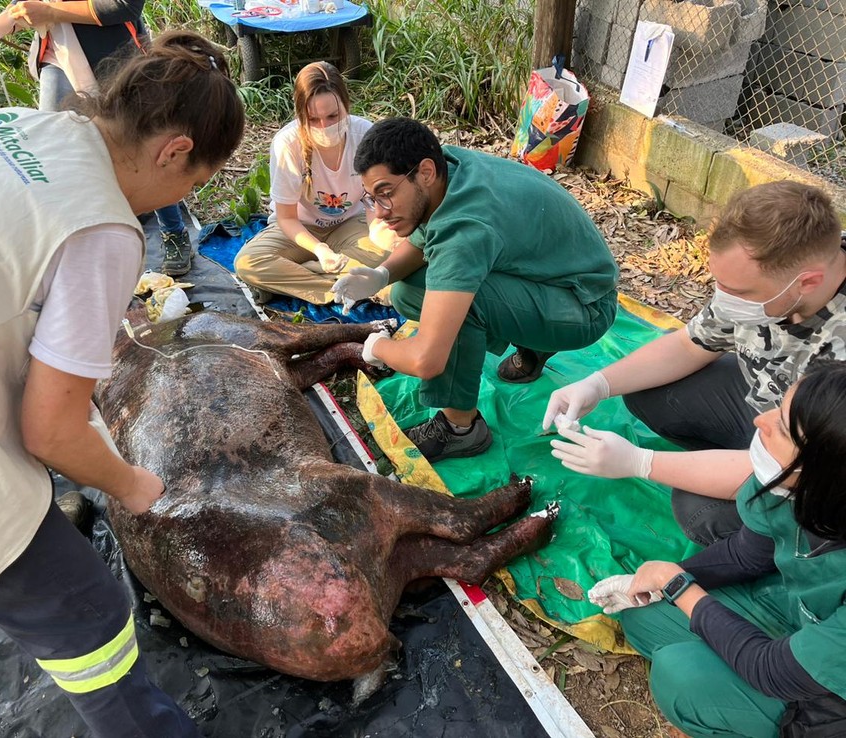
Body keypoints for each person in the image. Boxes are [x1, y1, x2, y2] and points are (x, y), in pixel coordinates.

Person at [0, 30, 245, 736]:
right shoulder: (103, 227)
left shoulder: (15, 124)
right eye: (191, 186)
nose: (178, 200)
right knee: (86, 613)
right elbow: (51, 428)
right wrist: (130, 485)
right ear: (174, 151)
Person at [541, 181, 846, 546]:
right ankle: (716, 463)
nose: (724, 299)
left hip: (818, 468)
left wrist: (642, 463)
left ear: (807, 282)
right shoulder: (781, 279)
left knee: (700, 512)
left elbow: (795, 468)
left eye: (740, 293)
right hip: (776, 411)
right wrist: (597, 384)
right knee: (646, 391)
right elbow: (691, 345)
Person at [565, 360, 846, 738]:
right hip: (804, 615)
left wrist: (680, 585)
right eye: (777, 409)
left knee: (682, 680)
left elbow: (772, 671)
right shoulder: (795, 488)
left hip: (826, 699)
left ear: (828, 470)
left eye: (781, 427)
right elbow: (747, 553)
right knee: (642, 613)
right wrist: (661, 578)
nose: (759, 421)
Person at [332, 117, 618, 462]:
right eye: (372, 198)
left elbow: (426, 360)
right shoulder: (447, 167)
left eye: (387, 193)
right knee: (408, 292)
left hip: (585, 307)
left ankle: (460, 428)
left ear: (424, 172)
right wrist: (381, 274)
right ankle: (534, 343)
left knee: (464, 306)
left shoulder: (465, 230)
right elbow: (425, 241)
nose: (379, 213)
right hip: (555, 277)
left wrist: (380, 347)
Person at [0, 0, 195, 278]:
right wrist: (4, 21)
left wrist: (50, 13)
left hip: (116, 56)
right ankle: (67, 250)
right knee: (52, 159)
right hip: (59, 58)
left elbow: (122, 6)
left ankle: (173, 232)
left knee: (141, 144)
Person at [234, 61, 395, 304]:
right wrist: (319, 249)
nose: (325, 127)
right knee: (248, 263)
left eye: (333, 116)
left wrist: (379, 232)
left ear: (346, 104)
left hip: (350, 224)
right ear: (300, 115)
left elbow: (375, 199)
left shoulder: (365, 135)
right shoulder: (288, 144)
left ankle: (302, 275)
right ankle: (344, 289)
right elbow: (287, 217)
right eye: (313, 119)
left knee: (388, 252)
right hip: (300, 228)